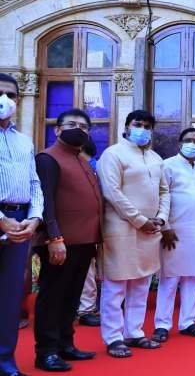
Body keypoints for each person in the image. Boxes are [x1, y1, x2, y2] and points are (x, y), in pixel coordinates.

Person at [97, 109, 170, 358]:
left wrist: (161, 218)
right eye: (138, 124)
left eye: (147, 126)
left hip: (151, 229)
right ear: (127, 127)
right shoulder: (113, 154)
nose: (143, 130)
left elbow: (164, 191)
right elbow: (112, 192)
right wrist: (140, 220)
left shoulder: (156, 158)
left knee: (141, 284)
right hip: (121, 228)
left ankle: (134, 332)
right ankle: (113, 338)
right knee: (116, 285)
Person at [33, 108, 102, 371]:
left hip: (84, 241)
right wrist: (54, 237)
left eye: (84, 127)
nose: (78, 129)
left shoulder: (81, 159)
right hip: (60, 242)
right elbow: (45, 200)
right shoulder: (48, 158)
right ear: (57, 129)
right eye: (72, 124)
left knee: (72, 296)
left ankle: (65, 344)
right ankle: (46, 352)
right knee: (52, 297)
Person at [152, 128, 195, 343]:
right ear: (180, 143)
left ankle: (188, 322)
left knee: (194, 277)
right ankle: (162, 325)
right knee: (170, 279)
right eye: (188, 140)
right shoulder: (167, 165)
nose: (192, 144)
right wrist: (165, 227)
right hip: (174, 231)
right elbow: (159, 197)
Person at [0, 73, 43, 376]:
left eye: (11, 95)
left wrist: (34, 218)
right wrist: (1, 221)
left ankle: (5, 362)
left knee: (9, 298)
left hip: (20, 222)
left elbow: (34, 183)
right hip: (3, 220)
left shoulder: (24, 141)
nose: (4, 100)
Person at [77, 139, 101, 328]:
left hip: (91, 226)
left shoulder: (96, 169)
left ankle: (86, 310)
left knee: (88, 268)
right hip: (66, 226)